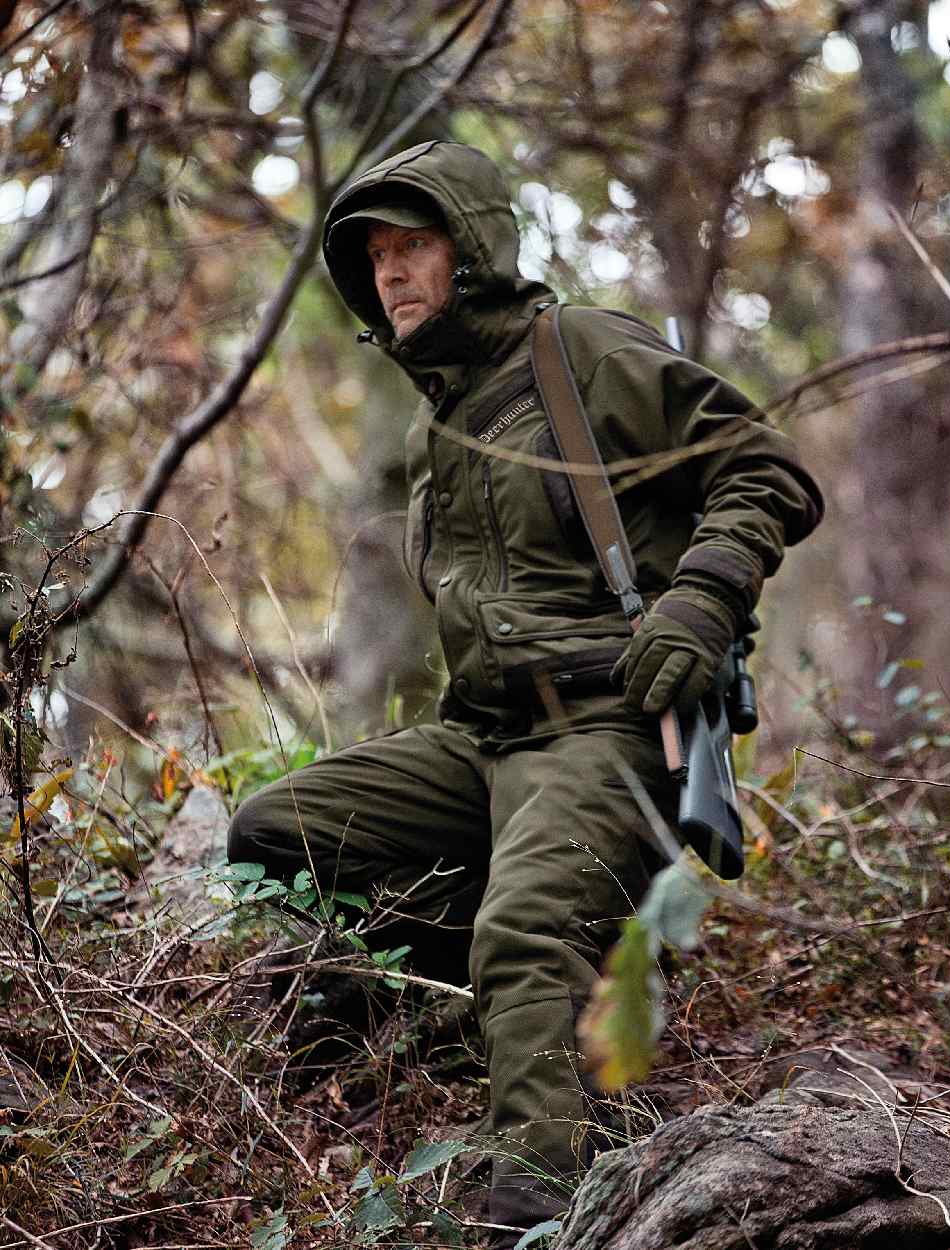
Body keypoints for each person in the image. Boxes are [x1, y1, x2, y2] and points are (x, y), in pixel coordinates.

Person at [227, 140, 823, 1245]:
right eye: (375, 256)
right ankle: (512, 1015)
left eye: (416, 246)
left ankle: (533, 1213)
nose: (393, 272)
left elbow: (763, 465)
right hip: (483, 738)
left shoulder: (580, 349)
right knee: (277, 827)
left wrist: (701, 596)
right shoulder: (438, 422)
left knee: (524, 926)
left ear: (478, 250)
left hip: (606, 722)